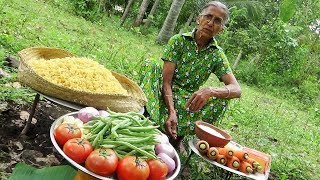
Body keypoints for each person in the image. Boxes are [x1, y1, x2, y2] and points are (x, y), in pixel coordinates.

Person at [139, 1, 241, 152]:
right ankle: (151, 120)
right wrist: (172, 111)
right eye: (208, 16)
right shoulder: (178, 41)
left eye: (217, 21)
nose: (210, 23)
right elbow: (166, 82)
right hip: (164, 92)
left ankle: (176, 135)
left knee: (223, 99)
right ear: (199, 19)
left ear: (221, 29)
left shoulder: (217, 55)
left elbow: (236, 89)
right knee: (150, 65)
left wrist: (210, 91)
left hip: (187, 102)